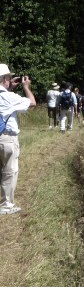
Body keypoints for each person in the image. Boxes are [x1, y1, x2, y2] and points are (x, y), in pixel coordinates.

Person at [0, 64, 36, 214]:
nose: (10, 80)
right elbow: (32, 103)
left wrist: (9, 88)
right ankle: (6, 205)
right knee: (10, 170)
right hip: (6, 138)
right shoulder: (9, 97)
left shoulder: (7, 95)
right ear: (3, 79)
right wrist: (26, 87)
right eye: (8, 77)